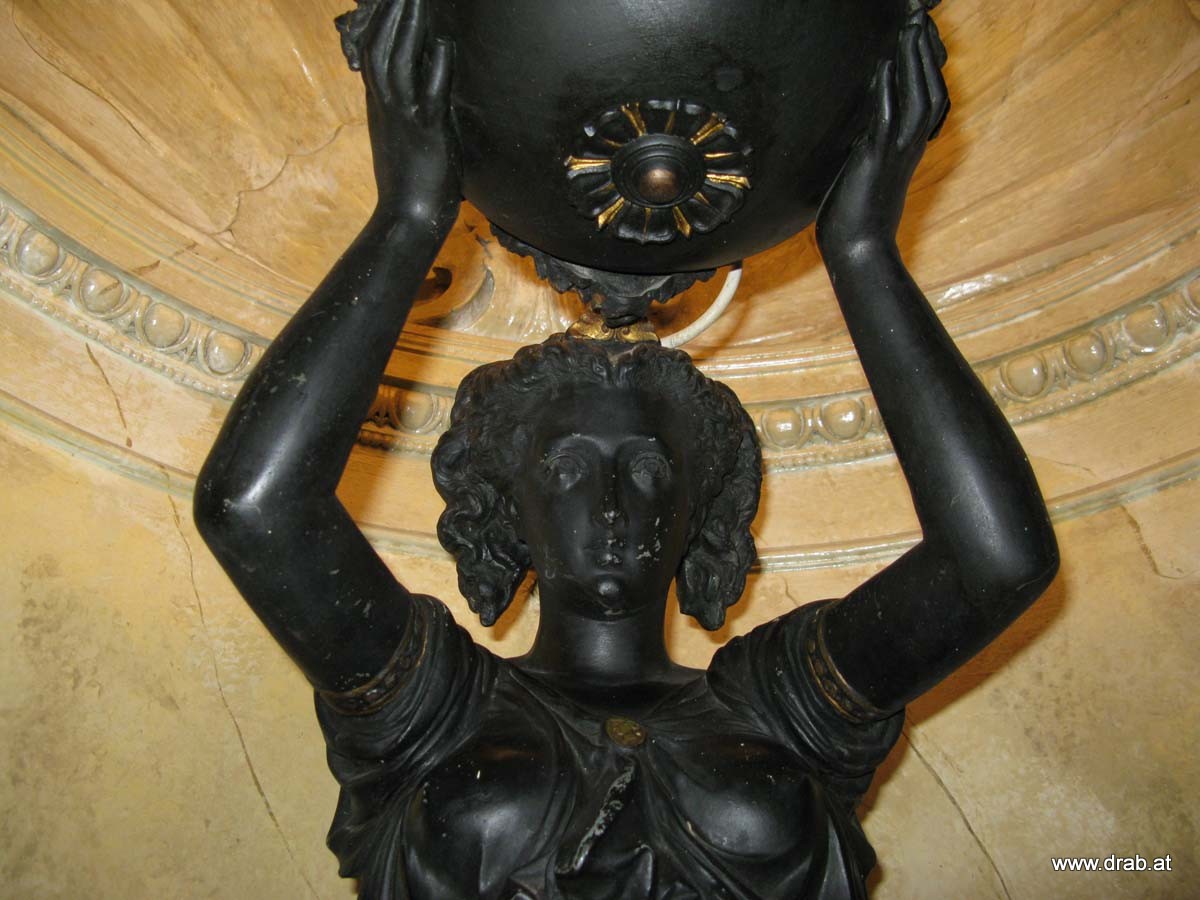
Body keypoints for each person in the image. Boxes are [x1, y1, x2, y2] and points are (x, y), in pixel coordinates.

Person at [194, 1, 1059, 897]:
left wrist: (865, 249)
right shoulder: (432, 707)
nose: (612, 507)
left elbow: (996, 562)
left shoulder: (784, 710)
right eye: (566, 470)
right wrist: (409, 217)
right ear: (506, 509)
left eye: (650, 471)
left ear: (701, 507)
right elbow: (252, 512)